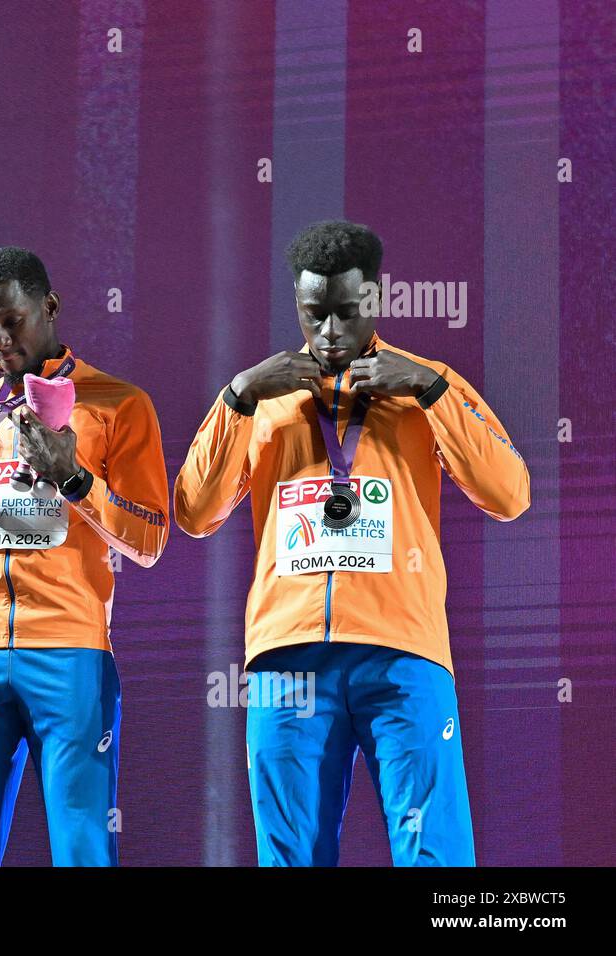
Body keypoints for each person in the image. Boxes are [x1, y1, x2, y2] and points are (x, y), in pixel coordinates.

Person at [175, 220, 530, 866]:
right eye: (316, 315)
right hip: (287, 663)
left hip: (402, 656)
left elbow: (510, 494)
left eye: (346, 312)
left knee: (436, 857)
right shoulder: (265, 403)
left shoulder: (427, 387)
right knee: (290, 859)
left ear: (376, 299)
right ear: (297, 308)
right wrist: (240, 396)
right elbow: (194, 512)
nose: (331, 332)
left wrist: (430, 389)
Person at [0, 246, 169, 866]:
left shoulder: (118, 404)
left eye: (13, 321)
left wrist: (75, 478)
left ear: (50, 307)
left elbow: (150, 538)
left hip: (69, 650)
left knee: (83, 849)